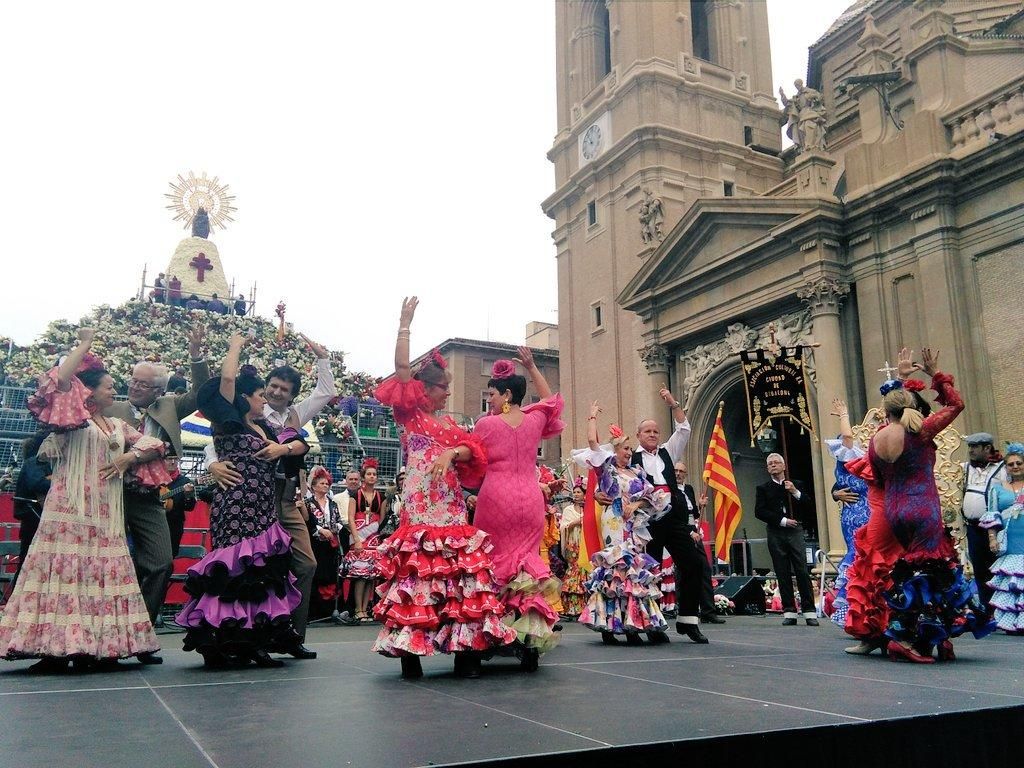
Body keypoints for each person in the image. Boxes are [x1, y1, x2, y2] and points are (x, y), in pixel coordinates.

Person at [371, 297, 515, 679]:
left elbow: (475, 451)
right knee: (417, 576)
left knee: (458, 577)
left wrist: (453, 452)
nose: (447, 394)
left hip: (450, 509)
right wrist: (405, 324)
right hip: (420, 509)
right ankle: (410, 653)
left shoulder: (451, 428)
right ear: (425, 389)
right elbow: (402, 369)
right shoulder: (411, 416)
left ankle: (465, 650)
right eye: (442, 388)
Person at [1, 329, 162, 671]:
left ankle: (97, 647)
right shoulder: (72, 419)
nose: (114, 390)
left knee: (97, 577)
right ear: (89, 390)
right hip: (69, 510)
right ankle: (53, 649)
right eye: (108, 386)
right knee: (60, 577)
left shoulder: (117, 426)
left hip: (105, 515)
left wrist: (128, 459)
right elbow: (59, 380)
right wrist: (85, 345)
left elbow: (155, 445)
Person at [843, 348, 994, 661]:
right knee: (931, 572)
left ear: (887, 411)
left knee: (907, 571)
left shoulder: (876, 439)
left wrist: (901, 380)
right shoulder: (921, 432)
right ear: (911, 406)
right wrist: (934, 373)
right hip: (923, 508)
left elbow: (879, 479)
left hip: (894, 510)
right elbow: (957, 404)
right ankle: (917, 638)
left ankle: (932, 638)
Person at [176, 334, 305, 668]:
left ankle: (253, 640)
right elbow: (229, 378)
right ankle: (226, 641)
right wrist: (234, 345)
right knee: (234, 572)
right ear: (244, 397)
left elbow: (300, 444)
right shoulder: (227, 421)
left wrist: (285, 448)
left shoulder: (264, 426)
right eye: (261, 394)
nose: (265, 400)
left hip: (262, 505)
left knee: (258, 573)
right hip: (235, 503)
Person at [207, 332, 336, 660]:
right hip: (252, 500)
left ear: (292, 395)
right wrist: (213, 466)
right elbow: (216, 442)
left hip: (284, 498)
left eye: (284, 390)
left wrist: (323, 358)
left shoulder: (295, 416)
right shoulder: (248, 413)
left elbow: (327, 392)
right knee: (259, 568)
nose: (276, 393)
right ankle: (257, 636)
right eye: (272, 387)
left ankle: (291, 635)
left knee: (306, 564)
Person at [105, 325, 209, 657]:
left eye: (143, 384)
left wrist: (196, 356)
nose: (135, 387)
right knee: (109, 563)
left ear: (157, 390)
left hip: (150, 498)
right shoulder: (112, 410)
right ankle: (105, 632)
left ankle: (142, 634)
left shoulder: (168, 407)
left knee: (161, 562)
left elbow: (201, 393)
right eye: (133, 381)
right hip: (111, 493)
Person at [472, 352, 566, 671]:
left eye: (493, 395)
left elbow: (470, 460)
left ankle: (491, 636)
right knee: (526, 569)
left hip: (496, 498)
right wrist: (532, 367)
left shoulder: (486, 424)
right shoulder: (535, 420)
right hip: (529, 499)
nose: (490, 401)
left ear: (507, 395)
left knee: (491, 565)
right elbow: (552, 400)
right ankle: (529, 644)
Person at [573, 406, 670, 645]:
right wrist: (593, 416)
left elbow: (655, 497)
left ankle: (632, 623)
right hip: (614, 524)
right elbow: (592, 442)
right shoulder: (607, 469)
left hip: (634, 527)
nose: (629, 453)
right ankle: (609, 626)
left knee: (634, 573)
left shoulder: (637, 472)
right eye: (625, 449)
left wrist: (637, 504)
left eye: (629, 449)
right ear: (614, 451)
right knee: (616, 572)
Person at [631, 389, 708, 643]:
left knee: (693, 563)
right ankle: (652, 624)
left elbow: (684, 428)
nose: (652, 435)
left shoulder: (667, 452)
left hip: (674, 518)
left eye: (655, 431)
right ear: (638, 435)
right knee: (649, 572)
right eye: (647, 432)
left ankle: (688, 620)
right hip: (648, 521)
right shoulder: (632, 459)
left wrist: (673, 404)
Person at [754, 452, 819, 626]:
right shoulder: (763, 488)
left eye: (776, 462)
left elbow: (808, 504)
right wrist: (782, 521)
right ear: (767, 469)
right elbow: (759, 511)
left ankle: (809, 611)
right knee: (782, 571)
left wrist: (795, 492)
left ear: (784, 466)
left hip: (795, 530)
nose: (773, 465)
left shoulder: (796, 485)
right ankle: (789, 610)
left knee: (801, 570)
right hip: (776, 531)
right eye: (770, 464)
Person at [825, 398, 869, 629]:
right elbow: (849, 442)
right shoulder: (847, 457)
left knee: (865, 557)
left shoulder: (861, 459)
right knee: (858, 554)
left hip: (863, 509)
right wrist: (843, 415)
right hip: (856, 514)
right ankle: (852, 609)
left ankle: (862, 608)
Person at [961, 432, 1006, 613]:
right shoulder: (966, 468)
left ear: (987, 448)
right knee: (979, 568)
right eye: (969, 447)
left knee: (995, 567)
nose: (970, 450)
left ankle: (1001, 609)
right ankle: (987, 611)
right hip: (973, 528)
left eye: (974, 447)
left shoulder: (1002, 468)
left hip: (995, 528)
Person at [981, 442, 1024, 634]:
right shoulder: (996, 490)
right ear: (1005, 467)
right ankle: (1012, 622)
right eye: (1011, 464)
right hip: (1010, 540)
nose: (1015, 466)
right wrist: (992, 538)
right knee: (1012, 581)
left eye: (1019, 463)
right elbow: (992, 516)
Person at [674, 461, 722, 624]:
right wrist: (689, 532)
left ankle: (708, 611)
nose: (678, 474)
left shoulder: (688, 489)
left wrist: (700, 506)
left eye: (681, 471)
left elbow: (693, 513)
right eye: (675, 470)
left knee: (704, 568)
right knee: (684, 572)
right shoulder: (669, 490)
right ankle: (686, 610)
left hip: (693, 530)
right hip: (679, 531)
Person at [342, 458, 385, 623]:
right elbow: (351, 518)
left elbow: (381, 520)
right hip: (359, 535)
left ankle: (366, 607)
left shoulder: (380, 497)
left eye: (374, 474)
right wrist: (357, 539)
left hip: (373, 538)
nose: (372, 477)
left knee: (370, 575)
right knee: (360, 575)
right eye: (369, 474)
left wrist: (376, 537)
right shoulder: (355, 495)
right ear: (363, 476)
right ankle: (358, 608)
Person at [302, 466, 344, 621]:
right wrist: (320, 530)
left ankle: (327, 611)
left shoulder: (333, 503)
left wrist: (332, 531)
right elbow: (307, 523)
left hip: (331, 543)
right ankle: (313, 611)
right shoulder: (308, 503)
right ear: (313, 486)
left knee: (330, 575)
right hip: (315, 543)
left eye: (327, 484)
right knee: (316, 574)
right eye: (322, 483)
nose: (325, 486)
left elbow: (338, 521)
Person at [10, 432, 51, 590]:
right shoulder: (33, 463)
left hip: (36, 517)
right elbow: (38, 484)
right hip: (33, 517)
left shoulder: (33, 463)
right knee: (28, 561)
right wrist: (59, 478)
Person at [558, 480, 586, 619]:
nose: (576, 495)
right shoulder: (568, 510)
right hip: (573, 544)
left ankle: (585, 607)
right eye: (574, 492)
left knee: (585, 570)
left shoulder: (589, 509)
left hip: (585, 544)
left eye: (579, 492)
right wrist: (575, 523)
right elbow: (563, 526)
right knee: (574, 570)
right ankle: (571, 607)